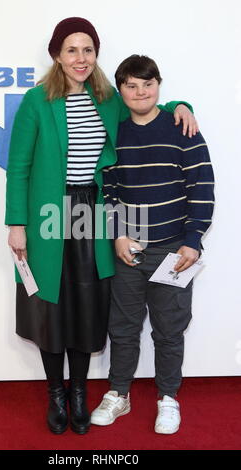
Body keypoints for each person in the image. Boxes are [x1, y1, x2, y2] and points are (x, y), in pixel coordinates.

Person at [5, 18, 197, 435]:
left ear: (96, 55)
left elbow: (149, 106)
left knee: (88, 304)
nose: (80, 58)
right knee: (51, 305)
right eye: (71, 50)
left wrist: (183, 107)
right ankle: (56, 393)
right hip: (48, 213)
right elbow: (18, 168)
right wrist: (16, 223)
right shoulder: (37, 100)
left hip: (94, 211)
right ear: (57, 54)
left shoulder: (107, 98)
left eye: (87, 49)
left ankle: (79, 392)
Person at [91, 54, 214, 434]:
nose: (140, 92)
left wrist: (193, 240)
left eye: (147, 84)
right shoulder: (117, 133)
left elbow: (203, 186)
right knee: (123, 327)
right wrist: (117, 235)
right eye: (131, 85)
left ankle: (168, 398)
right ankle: (120, 393)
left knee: (169, 328)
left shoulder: (183, 128)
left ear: (159, 85)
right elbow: (108, 189)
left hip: (174, 250)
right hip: (131, 249)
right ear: (121, 90)